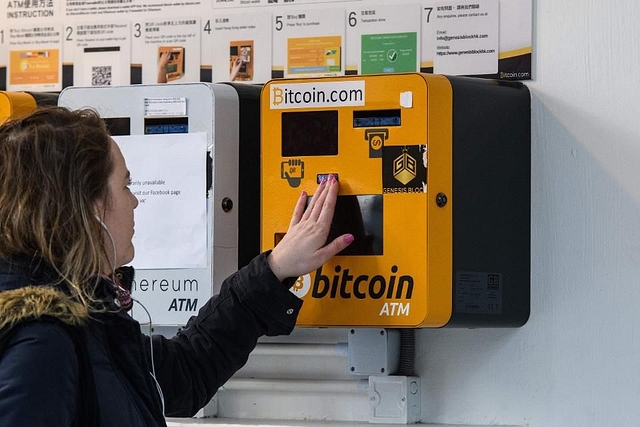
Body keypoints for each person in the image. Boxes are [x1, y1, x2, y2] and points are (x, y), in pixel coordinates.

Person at [0, 106, 354, 426]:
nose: (135, 201)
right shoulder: (42, 342)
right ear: (87, 205)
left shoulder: (86, 319)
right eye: (126, 185)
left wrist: (276, 268)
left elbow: (184, 373)